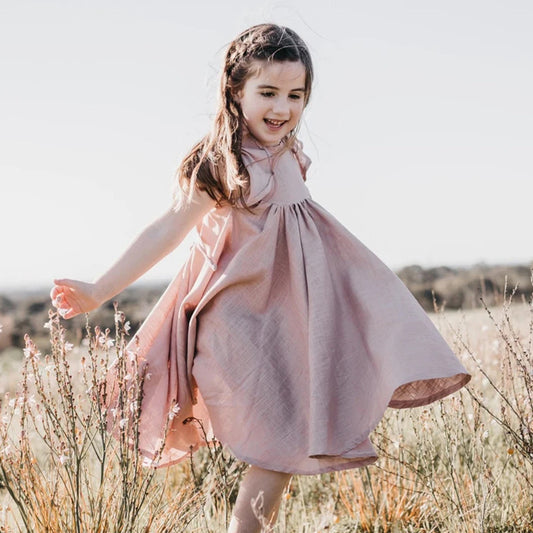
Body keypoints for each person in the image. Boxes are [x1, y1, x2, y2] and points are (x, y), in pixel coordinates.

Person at [51, 23, 471, 533]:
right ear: (235, 90)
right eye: (267, 92)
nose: (283, 107)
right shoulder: (223, 163)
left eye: (296, 95)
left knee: (284, 448)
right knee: (278, 445)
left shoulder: (291, 154)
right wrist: (99, 290)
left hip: (284, 324)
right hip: (237, 325)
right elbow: (165, 230)